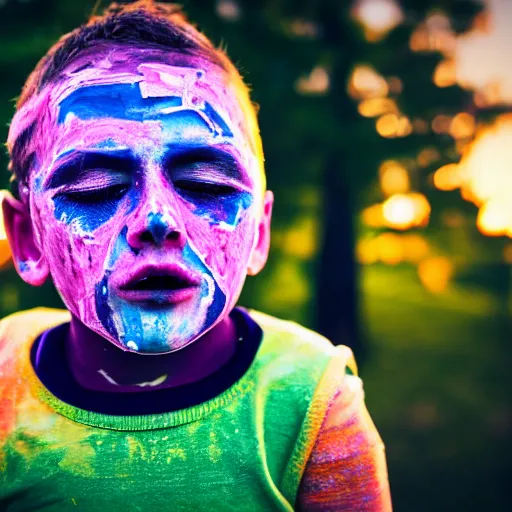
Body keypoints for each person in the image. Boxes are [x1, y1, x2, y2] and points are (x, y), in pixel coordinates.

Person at [0, 1, 391, 510]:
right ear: (28, 238)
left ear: (258, 233)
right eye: (95, 188)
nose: (157, 219)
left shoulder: (313, 406)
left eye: (205, 183)